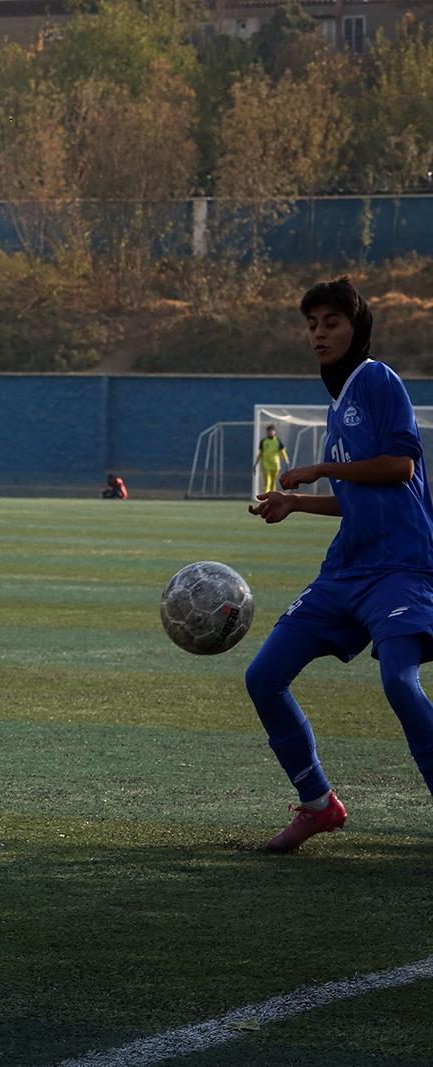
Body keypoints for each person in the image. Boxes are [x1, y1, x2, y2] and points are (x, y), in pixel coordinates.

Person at [247, 278, 433, 852]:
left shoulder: (377, 379)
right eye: (312, 325)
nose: (319, 334)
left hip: (400, 566)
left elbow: (400, 467)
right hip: (347, 569)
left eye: (331, 322)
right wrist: (296, 502)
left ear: (357, 328)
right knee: (263, 678)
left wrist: (322, 468)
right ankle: (318, 804)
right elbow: (359, 497)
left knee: (398, 681)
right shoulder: (339, 403)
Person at [254, 424, 290, 496]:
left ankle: (273, 497)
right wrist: (256, 464)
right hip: (266, 464)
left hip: (275, 464)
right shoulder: (263, 441)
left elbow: (283, 452)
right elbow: (260, 453)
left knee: (273, 482)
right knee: (268, 481)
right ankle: (266, 497)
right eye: (269, 431)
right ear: (267, 432)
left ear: (274, 432)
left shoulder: (277, 441)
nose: (270, 432)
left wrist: (287, 461)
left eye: (272, 431)